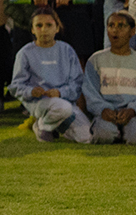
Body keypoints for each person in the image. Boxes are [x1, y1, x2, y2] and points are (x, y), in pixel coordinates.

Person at [8, 9, 91, 143]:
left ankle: (56, 125)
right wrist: (31, 91)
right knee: (63, 108)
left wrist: (60, 92)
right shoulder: (24, 53)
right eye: (39, 26)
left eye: (49, 25)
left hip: (66, 102)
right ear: (33, 30)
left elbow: (77, 83)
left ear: (57, 28)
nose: (44, 30)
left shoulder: (67, 50)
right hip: (38, 103)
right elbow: (15, 86)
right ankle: (42, 126)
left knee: (86, 137)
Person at [81, 11, 136, 145]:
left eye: (121, 26)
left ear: (132, 31)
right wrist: (103, 109)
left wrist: (134, 110)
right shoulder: (96, 60)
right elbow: (90, 92)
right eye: (111, 25)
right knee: (103, 136)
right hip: (106, 114)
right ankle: (118, 133)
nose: (115, 30)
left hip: (133, 115)